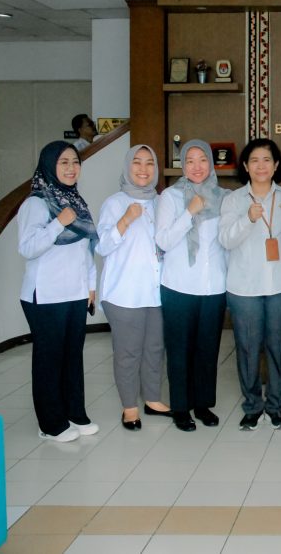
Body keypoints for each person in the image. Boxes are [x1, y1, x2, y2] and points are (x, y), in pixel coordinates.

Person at [219, 138, 281, 431]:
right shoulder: (233, 201)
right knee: (247, 348)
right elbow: (226, 240)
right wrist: (248, 219)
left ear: (276, 165)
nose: (261, 166)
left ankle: (276, 407)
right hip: (244, 287)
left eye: (267, 160)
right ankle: (252, 407)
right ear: (245, 166)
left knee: (279, 348)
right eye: (254, 160)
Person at [17, 141, 98, 442]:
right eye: (63, 162)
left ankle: (74, 413)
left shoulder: (76, 201)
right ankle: (50, 424)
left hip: (75, 293)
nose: (71, 168)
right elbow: (27, 248)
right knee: (49, 360)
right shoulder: (36, 203)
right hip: (45, 295)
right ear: (50, 165)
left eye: (75, 162)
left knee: (72, 357)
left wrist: (91, 285)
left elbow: (86, 249)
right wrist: (57, 224)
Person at [96, 145, 171, 431]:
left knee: (155, 348)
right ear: (128, 167)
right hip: (124, 292)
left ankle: (152, 399)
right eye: (137, 163)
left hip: (157, 291)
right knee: (128, 352)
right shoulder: (115, 203)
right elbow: (102, 246)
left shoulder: (162, 201)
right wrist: (125, 220)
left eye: (149, 163)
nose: (143, 169)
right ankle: (129, 407)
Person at [155, 139, 227, 432]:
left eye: (202, 160)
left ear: (211, 163)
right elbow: (163, 240)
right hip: (179, 286)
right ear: (182, 166)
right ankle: (181, 407)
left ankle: (203, 405)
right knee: (180, 351)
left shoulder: (224, 197)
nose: (197, 167)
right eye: (190, 161)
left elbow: (227, 242)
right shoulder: (170, 197)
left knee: (207, 350)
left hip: (214, 286)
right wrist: (190, 212)